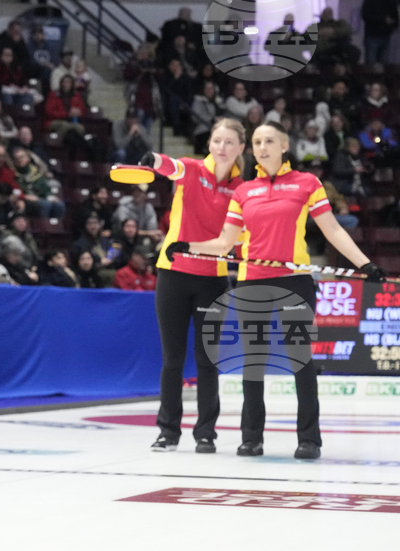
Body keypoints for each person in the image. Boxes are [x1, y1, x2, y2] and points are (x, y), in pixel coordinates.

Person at [165, 121, 387, 460]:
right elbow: (225, 242)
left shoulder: (307, 183)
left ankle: (309, 439)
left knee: (301, 360)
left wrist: (365, 264)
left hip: (295, 280)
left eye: (269, 140)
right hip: (252, 280)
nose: (262, 147)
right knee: (252, 362)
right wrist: (186, 245)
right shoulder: (243, 192)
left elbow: (332, 230)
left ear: (284, 145)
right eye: (256, 142)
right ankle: (251, 437)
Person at [141, 119, 246, 453]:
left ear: (241, 148)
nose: (221, 148)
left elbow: (241, 239)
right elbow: (167, 165)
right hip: (173, 273)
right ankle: (168, 432)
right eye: (217, 140)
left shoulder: (242, 189)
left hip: (212, 279)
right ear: (210, 143)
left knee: (207, 360)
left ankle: (205, 433)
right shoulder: (192, 169)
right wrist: (151, 160)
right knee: (173, 359)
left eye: (229, 142)